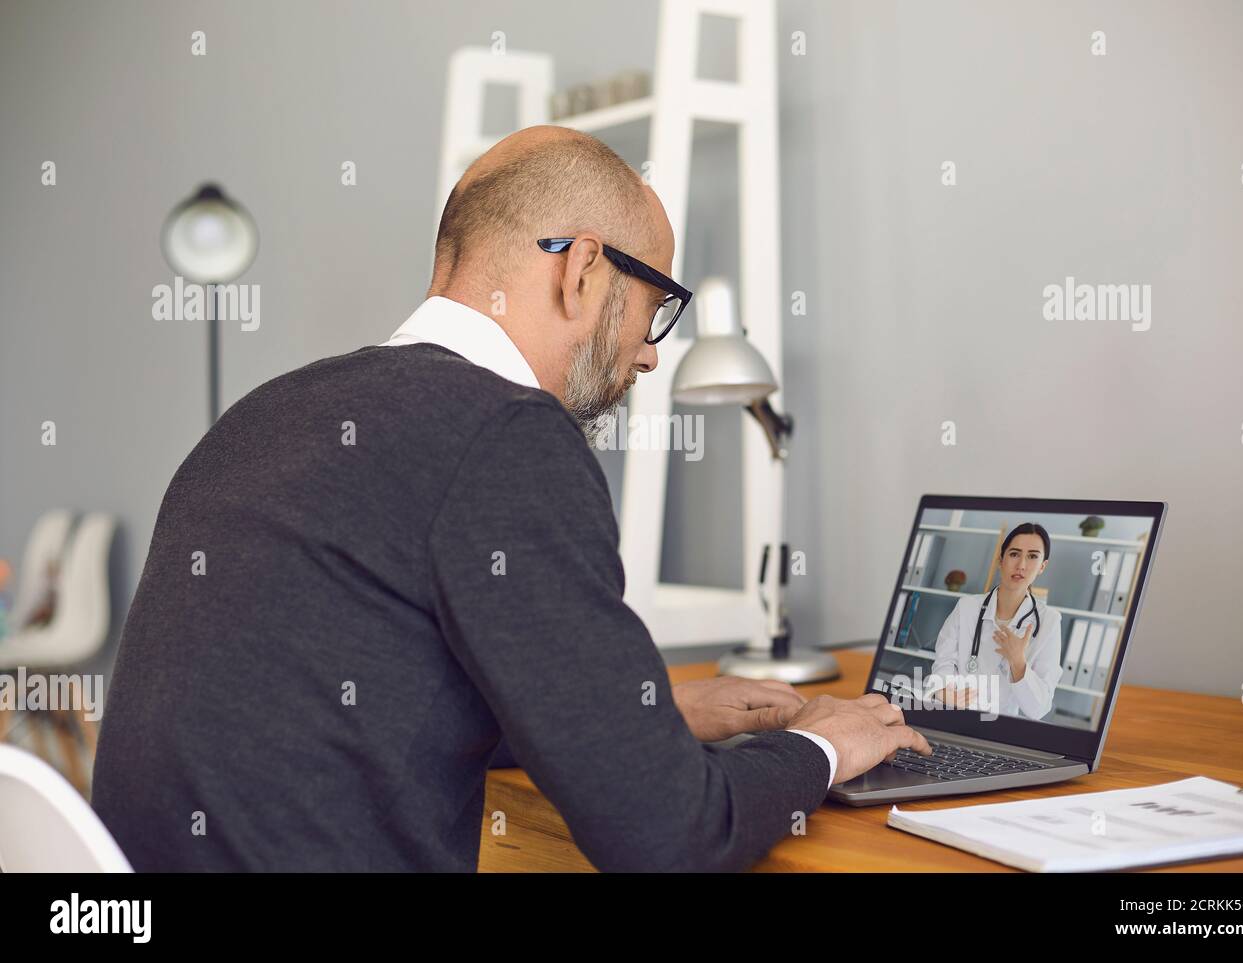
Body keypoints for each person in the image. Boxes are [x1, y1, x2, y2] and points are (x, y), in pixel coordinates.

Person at [92, 126, 930, 872]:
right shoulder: (507, 436)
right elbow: (667, 837)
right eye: (655, 304)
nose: (648, 354)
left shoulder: (265, 414)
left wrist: (639, 709)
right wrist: (820, 744)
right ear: (583, 269)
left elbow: (350, 707)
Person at [927, 523, 1063, 720]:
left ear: (1042, 566)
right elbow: (943, 662)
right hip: (955, 717)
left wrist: (1018, 662)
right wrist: (942, 691)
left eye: (1033, 556)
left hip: (1000, 730)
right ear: (1001, 560)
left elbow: (1039, 709)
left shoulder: (1049, 622)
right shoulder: (967, 607)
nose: (1021, 565)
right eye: (1014, 554)